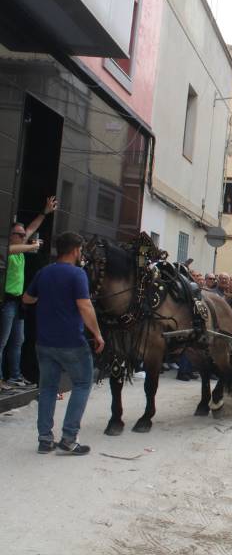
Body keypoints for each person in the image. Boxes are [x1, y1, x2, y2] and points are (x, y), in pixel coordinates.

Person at [23, 231, 105, 455]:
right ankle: (69, 438)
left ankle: (44, 440)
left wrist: (46, 297)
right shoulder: (77, 274)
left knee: (48, 388)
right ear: (76, 250)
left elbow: (27, 298)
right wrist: (97, 334)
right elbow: (85, 307)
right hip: (71, 342)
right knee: (82, 383)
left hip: (44, 342)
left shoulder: (44, 272)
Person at [1, 195, 57, 389]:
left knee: (18, 340)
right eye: (20, 234)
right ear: (12, 235)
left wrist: (45, 212)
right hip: (7, 301)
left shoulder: (20, 247)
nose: (25, 235)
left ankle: (14, 377)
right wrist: (32, 245)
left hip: (18, 302)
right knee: (3, 341)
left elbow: (33, 227)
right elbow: (10, 249)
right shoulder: (6, 248)